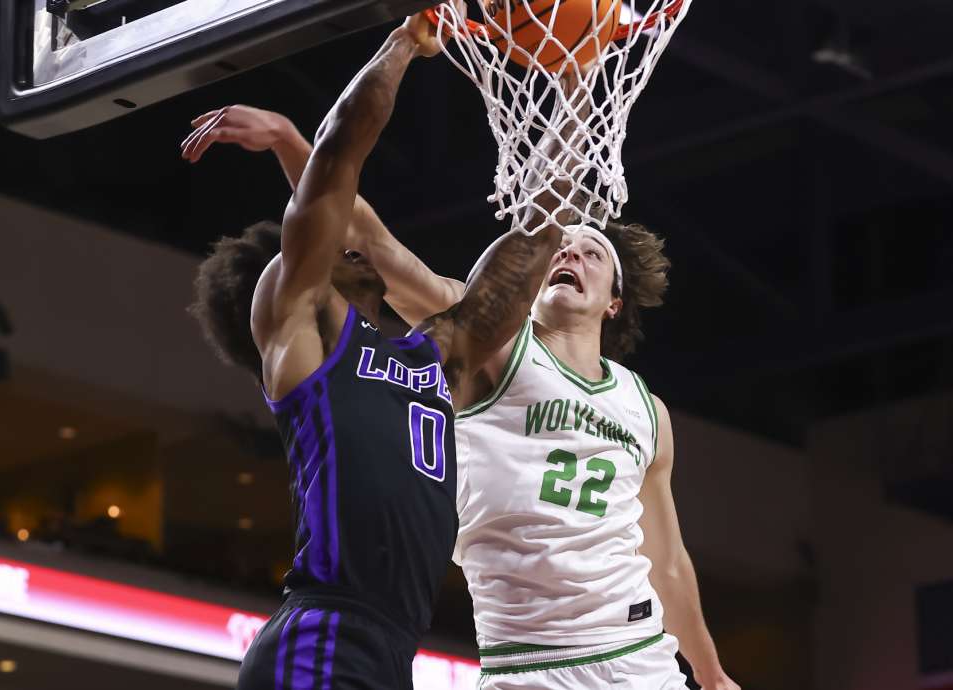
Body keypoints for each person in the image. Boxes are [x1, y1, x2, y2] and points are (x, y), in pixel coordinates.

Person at [186, 87, 738, 690]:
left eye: (592, 253)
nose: (570, 254)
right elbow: (368, 241)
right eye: (563, 246)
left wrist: (710, 674)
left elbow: (667, 560)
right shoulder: (483, 340)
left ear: (614, 303)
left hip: (637, 652)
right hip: (527, 661)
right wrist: (295, 146)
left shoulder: (646, 409)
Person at [186, 12, 562, 689]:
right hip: (327, 631)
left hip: (391, 647)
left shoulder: (430, 358)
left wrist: (562, 155)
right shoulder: (303, 334)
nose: (359, 241)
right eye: (336, 244)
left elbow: (501, 293)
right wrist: (401, 47)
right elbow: (335, 168)